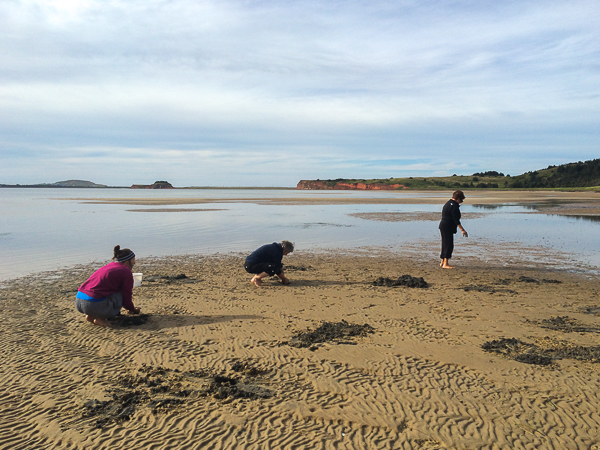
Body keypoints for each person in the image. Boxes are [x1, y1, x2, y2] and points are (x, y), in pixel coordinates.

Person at [75, 245, 141, 327]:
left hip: (79, 300)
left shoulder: (109, 266)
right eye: (133, 260)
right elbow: (126, 295)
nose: (134, 262)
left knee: (104, 291)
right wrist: (132, 309)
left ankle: (90, 316)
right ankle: (100, 319)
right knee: (119, 293)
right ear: (127, 261)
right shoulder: (126, 271)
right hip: (92, 304)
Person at [439, 190, 468, 269]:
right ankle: (445, 263)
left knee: (445, 244)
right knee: (449, 245)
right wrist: (462, 230)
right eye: (461, 200)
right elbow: (456, 220)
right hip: (447, 226)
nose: (461, 202)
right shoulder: (454, 206)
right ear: (458, 198)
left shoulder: (448, 203)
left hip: (443, 226)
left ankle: (442, 262)